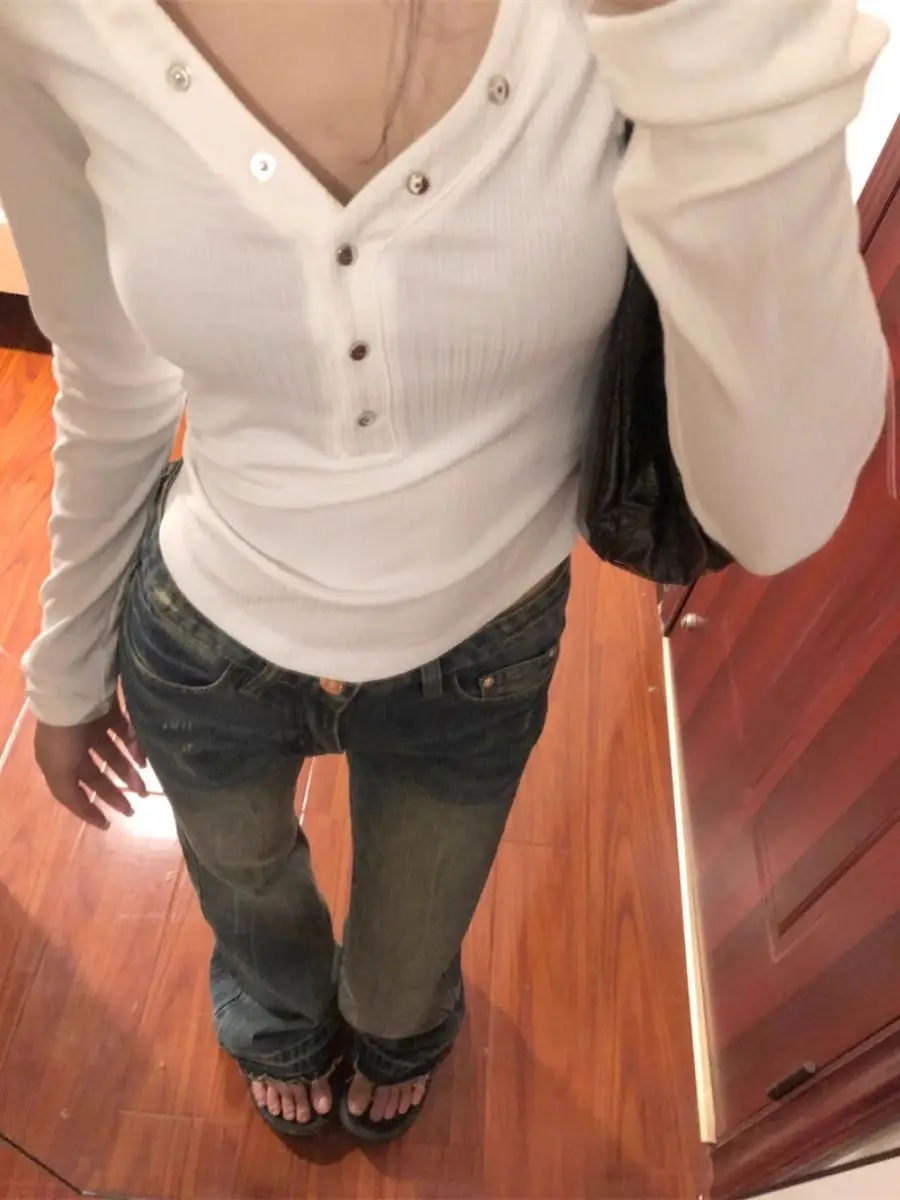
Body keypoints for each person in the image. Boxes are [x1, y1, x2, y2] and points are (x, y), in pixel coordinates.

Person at [0, 0, 889, 1142]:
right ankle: (277, 1019)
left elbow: (778, 511)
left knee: (403, 975)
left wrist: (717, 40)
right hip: (208, 638)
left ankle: (397, 1029)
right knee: (249, 899)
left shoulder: (648, 23)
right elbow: (113, 373)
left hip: (481, 653)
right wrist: (67, 666)